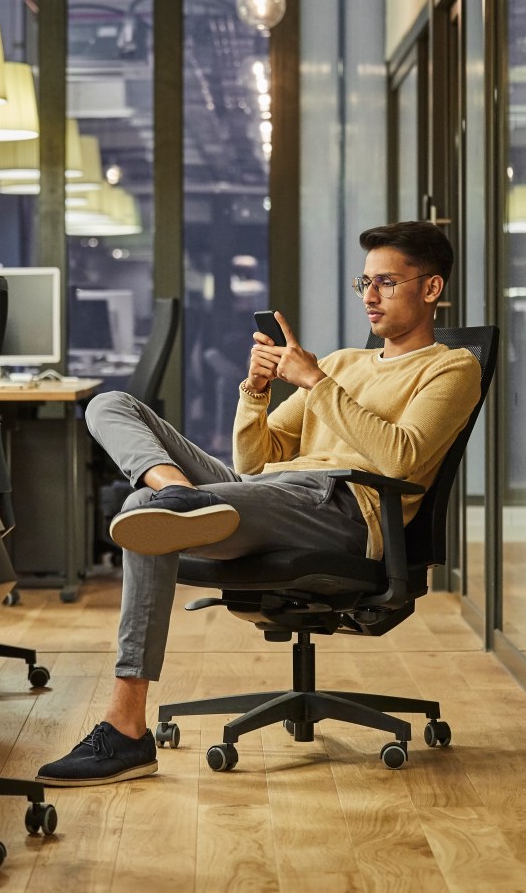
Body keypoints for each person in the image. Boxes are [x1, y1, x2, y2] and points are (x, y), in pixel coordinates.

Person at [35, 221, 484, 787]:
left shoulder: (451, 367)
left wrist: (315, 383)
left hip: (337, 509)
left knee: (144, 514)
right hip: (269, 491)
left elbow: (400, 458)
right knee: (111, 405)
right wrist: (257, 390)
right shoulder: (347, 363)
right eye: (363, 282)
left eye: (386, 283)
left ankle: (126, 729)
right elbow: (253, 459)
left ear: (431, 288)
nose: (369, 296)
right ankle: (178, 492)